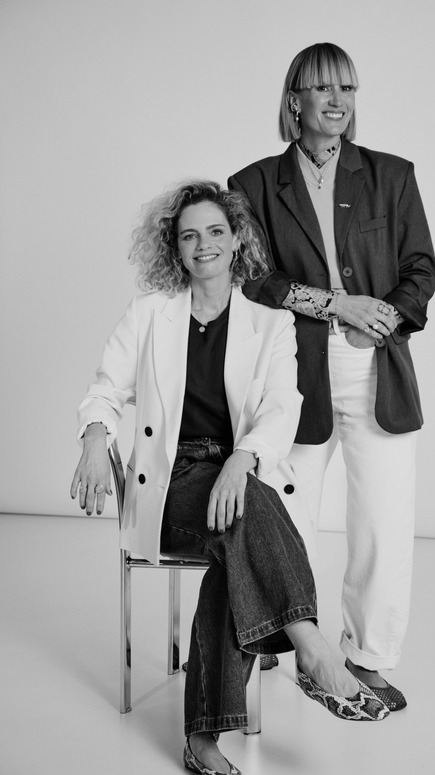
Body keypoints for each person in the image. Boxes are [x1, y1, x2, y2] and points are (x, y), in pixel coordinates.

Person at [70, 181, 390, 775]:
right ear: (175, 247)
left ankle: (204, 738)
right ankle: (313, 649)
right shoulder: (149, 314)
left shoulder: (270, 324)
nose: (204, 244)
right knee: (244, 518)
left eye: (216, 231)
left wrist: (242, 461)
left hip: (239, 469)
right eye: (189, 235)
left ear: (237, 238)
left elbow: (281, 407)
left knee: (235, 540)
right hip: (170, 482)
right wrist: (93, 435)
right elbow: (105, 388)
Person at [229, 43, 435, 712]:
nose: (337, 100)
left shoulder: (391, 174)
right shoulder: (253, 183)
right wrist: (333, 304)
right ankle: (285, 642)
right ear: (294, 100)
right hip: (293, 370)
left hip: (377, 367)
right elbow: (252, 277)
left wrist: (382, 317)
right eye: (322, 88)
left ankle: (368, 658)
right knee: (286, 517)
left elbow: (420, 268)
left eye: (347, 88)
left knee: (383, 520)